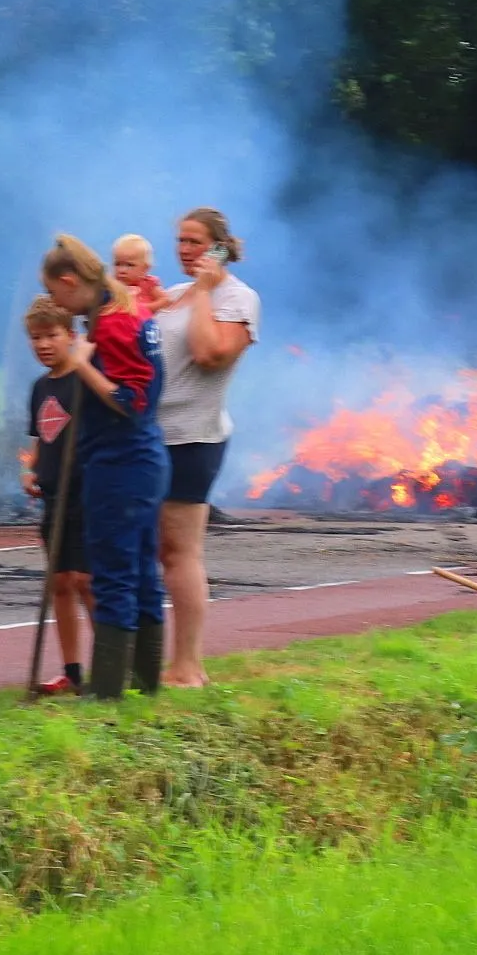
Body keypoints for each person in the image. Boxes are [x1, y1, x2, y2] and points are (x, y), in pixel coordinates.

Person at [40, 234, 168, 701]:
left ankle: (109, 692)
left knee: (113, 573)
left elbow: (132, 401)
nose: (56, 305)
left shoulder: (114, 324)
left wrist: (80, 365)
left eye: (55, 294)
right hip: (144, 459)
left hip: (122, 462)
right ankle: (146, 685)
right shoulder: (125, 306)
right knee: (141, 572)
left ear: (70, 281)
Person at [154, 208, 259, 689]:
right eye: (179, 241)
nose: (184, 249)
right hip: (148, 436)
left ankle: (188, 666)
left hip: (194, 437)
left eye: (195, 241)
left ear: (218, 247)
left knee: (180, 552)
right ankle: (146, 660)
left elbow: (208, 354)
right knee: (150, 549)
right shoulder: (172, 295)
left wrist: (202, 290)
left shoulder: (239, 299)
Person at [21, 297, 92, 696]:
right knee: (60, 582)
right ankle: (73, 670)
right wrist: (30, 469)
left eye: (51, 335)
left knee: (87, 581)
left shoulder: (83, 382)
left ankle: (109, 663)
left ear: (71, 335)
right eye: (36, 337)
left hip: (85, 494)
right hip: (53, 498)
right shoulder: (39, 387)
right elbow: (39, 438)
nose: (43, 344)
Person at [112, 234, 164, 314]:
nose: (122, 270)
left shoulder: (148, 283)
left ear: (145, 269)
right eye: (117, 264)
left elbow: (165, 300)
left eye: (129, 265)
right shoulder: (113, 285)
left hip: (144, 323)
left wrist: (145, 308)